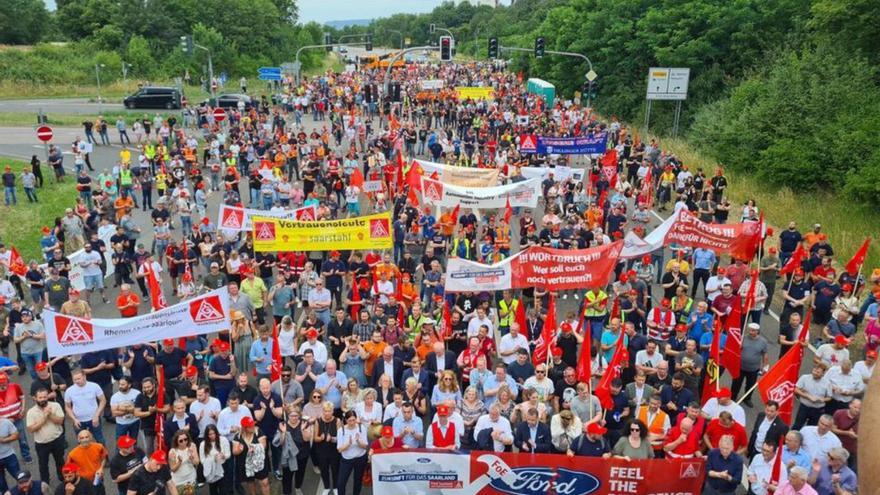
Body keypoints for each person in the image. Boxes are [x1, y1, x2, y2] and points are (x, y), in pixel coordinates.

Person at [26, 388, 66, 485]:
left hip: (57, 440)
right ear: (35, 398)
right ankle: (45, 483)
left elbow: (60, 421)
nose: (43, 399)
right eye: (40, 397)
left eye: (45, 396)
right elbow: (31, 429)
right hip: (41, 443)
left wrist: (49, 414)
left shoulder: (55, 405)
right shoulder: (31, 412)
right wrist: (44, 416)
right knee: (43, 465)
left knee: (60, 461)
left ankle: (63, 478)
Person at [232, 416, 269, 495]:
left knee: (264, 482)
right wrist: (239, 450)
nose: (253, 426)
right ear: (245, 428)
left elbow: (264, 445)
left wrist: (255, 448)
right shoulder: (238, 436)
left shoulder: (258, 431)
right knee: (250, 482)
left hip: (259, 462)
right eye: (250, 426)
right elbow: (234, 451)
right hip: (246, 464)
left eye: (253, 424)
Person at [335, 411, 368, 495]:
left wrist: (358, 441)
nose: (352, 422)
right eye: (350, 420)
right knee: (341, 483)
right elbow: (339, 449)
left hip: (360, 458)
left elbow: (365, 446)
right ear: (346, 420)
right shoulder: (341, 430)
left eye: (354, 420)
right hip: (347, 460)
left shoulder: (361, 428)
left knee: (358, 481)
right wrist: (348, 444)